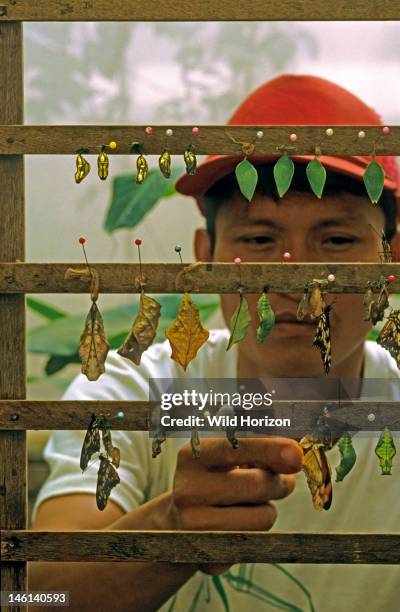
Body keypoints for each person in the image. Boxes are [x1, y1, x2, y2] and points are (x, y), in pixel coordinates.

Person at [29, 75, 400, 612]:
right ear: (208, 259)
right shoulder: (137, 390)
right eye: (259, 240)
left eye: (337, 240)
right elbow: (42, 595)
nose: (297, 281)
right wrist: (171, 529)